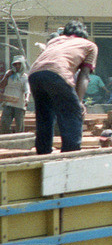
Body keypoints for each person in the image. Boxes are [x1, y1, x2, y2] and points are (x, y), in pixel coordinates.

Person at [28, 20, 98, 154]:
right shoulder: (90, 46)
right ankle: (70, 154)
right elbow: (84, 76)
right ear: (84, 35)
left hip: (35, 74)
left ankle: (43, 152)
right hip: (58, 74)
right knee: (72, 114)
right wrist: (79, 101)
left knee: (44, 116)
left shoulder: (54, 41)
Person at [0, 55, 29, 134]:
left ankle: (19, 142)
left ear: (22, 65)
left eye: (19, 64)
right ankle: (5, 140)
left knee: (19, 125)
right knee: (4, 123)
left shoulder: (24, 77)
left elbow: (27, 90)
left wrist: (27, 99)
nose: (17, 66)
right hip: (8, 103)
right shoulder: (9, 74)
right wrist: (6, 76)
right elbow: (1, 86)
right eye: (15, 64)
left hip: (19, 104)